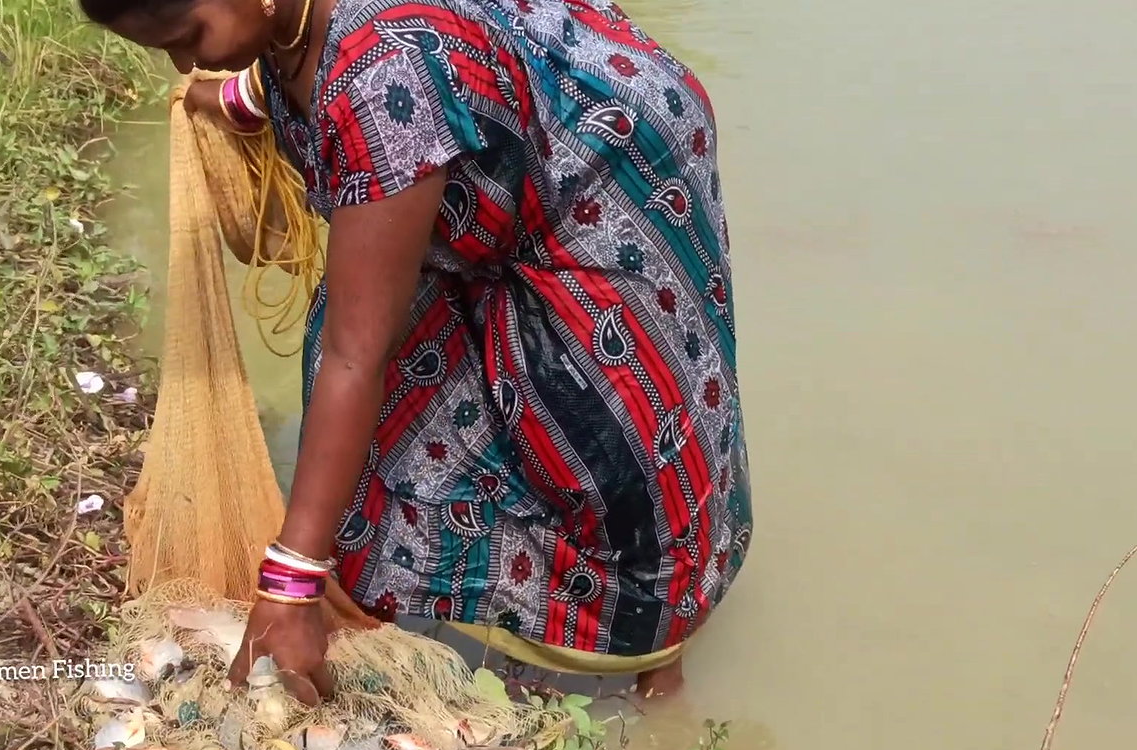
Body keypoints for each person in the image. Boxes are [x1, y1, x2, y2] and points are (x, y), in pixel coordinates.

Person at [80, 0, 753, 703]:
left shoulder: (382, 79)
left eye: (189, 37)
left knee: (607, 432)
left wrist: (289, 583)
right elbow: (302, 48)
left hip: (612, 168)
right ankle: (385, 590)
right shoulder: (300, 29)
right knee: (394, 375)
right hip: (501, 132)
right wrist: (244, 98)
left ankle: (655, 662)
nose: (185, 63)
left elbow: (355, 356)